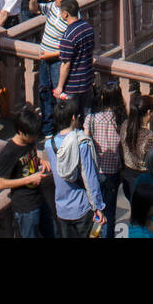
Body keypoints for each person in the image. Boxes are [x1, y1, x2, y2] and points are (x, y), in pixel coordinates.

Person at [44, 99, 105, 238]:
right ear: (73, 118)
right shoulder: (81, 143)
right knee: (93, 234)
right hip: (82, 207)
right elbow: (90, 178)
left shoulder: (49, 145)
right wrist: (98, 207)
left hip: (62, 209)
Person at [0, 104, 56, 239]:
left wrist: (41, 161)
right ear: (20, 131)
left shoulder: (29, 141)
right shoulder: (9, 151)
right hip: (25, 206)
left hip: (38, 198)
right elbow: (1, 183)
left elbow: (31, 157)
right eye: (31, 135)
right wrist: (29, 179)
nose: (35, 138)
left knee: (53, 232)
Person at [84, 81, 129, 239]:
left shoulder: (91, 119)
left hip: (95, 171)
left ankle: (94, 234)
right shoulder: (121, 120)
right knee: (110, 212)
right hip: (113, 172)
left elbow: (85, 142)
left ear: (102, 98)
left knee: (95, 210)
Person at [38, 0, 73, 136]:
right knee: (44, 92)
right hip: (44, 60)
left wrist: (49, 54)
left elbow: (69, 49)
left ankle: (62, 130)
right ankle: (48, 130)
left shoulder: (71, 18)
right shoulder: (52, 7)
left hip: (56, 62)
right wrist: (32, 0)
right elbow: (35, 9)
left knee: (59, 96)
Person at [53, 0, 95, 118]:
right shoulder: (88, 27)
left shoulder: (69, 35)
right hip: (87, 81)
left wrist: (59, 87)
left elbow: (66, 64)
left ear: (65, 14)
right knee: (86, 118)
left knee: (70, 119)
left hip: (73, 86)